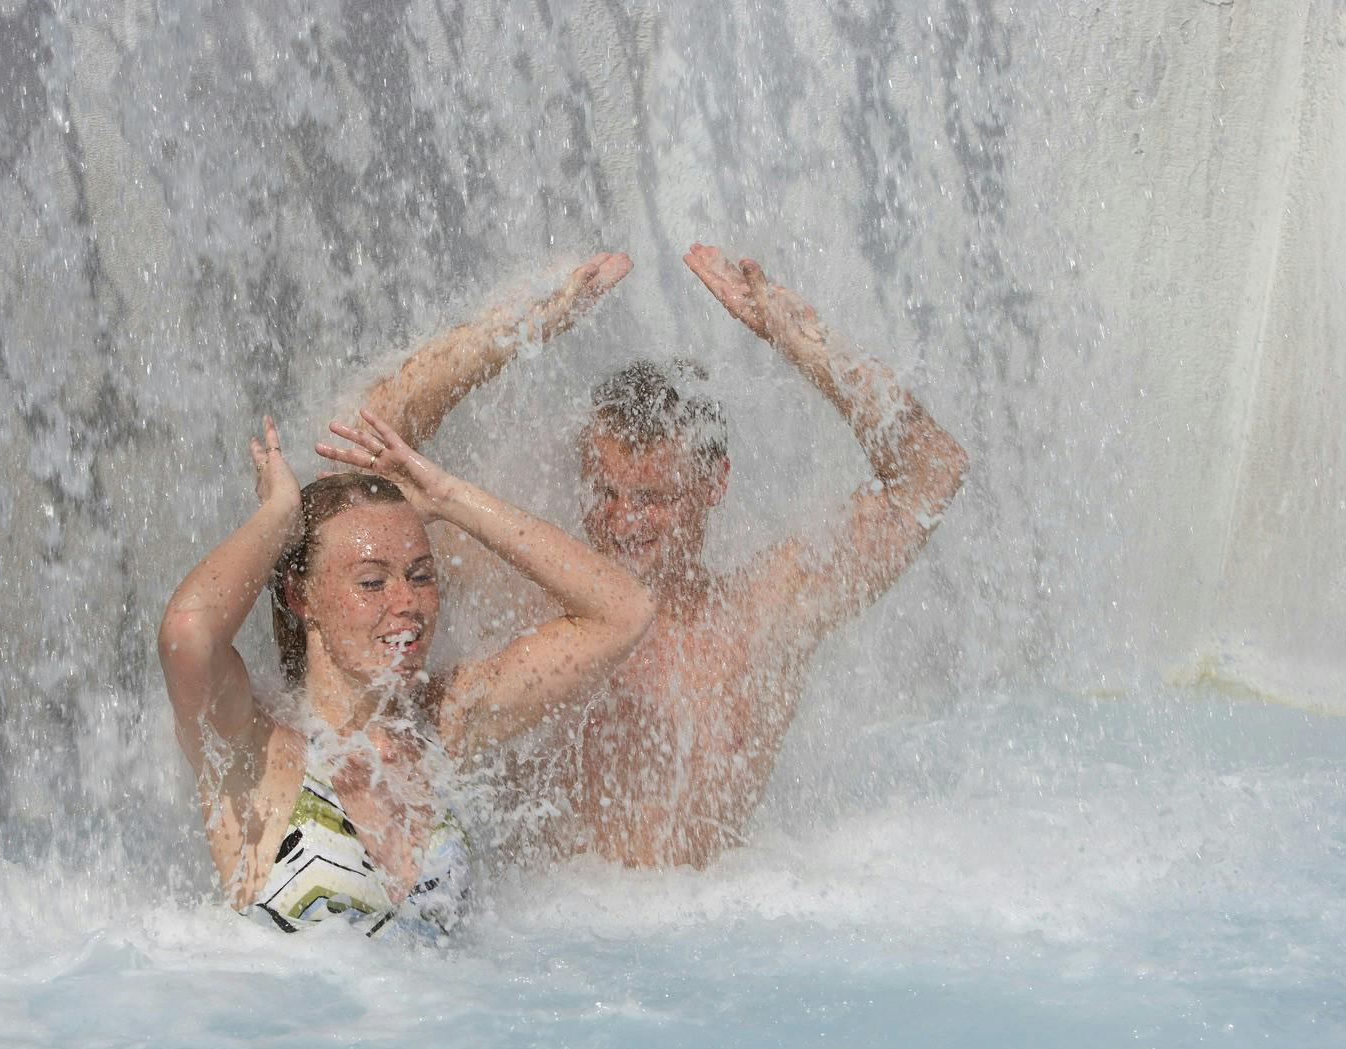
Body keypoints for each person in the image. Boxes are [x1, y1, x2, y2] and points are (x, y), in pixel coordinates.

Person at [360, 245, 970, 868]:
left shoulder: (760, 615)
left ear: (715, 483)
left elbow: (932, 473)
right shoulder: (530, 590)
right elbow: (359, 456)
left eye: (653, 499)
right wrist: (510, 332)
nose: (623, 521)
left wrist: (804, 343)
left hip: (698, 939)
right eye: (605, 492)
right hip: (551, 939)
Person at [157, 409, 654, 938]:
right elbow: (189, 633)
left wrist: (450, 499)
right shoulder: (256, 748)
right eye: (372, 583)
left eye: (421, 576)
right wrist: (281, 514)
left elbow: (624, 612)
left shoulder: (447, 719)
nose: (407, 602)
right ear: (302, 596)